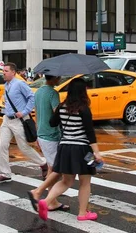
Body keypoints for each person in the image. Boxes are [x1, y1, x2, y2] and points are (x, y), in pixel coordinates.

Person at [37, 78, 103, 222]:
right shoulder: (84, 109)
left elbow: (52, 122)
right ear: (82, 92)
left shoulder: (62, 107)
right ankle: (82, 213)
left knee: (66, 181)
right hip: (84, 150)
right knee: (85, 182)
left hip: (65, 148)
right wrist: (96, 152)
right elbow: (89, 132)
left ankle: (46, 201)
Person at [0, 62, 47, 184]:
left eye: (6, 71)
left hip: (19, 120)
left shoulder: (20, 84)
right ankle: (5, 173)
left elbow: (32, 97)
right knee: (2, 146)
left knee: (24, 147)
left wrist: (25, 111)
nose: (3, 73)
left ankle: (43, 163)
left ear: (13, 72)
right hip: (7, 119)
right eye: (3, 71)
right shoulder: (6, 85)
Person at [26, 75, 69, 212]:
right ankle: (40, 193)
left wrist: (38, 133)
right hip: (52, 134)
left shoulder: (38, 92)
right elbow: (57, 114)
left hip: (42, 133)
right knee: (56, 169)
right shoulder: (52, 93)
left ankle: (52, 201)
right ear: (55, 78)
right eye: (58, 77)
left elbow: (37, 113)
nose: (60, 78)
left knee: (52, 167)